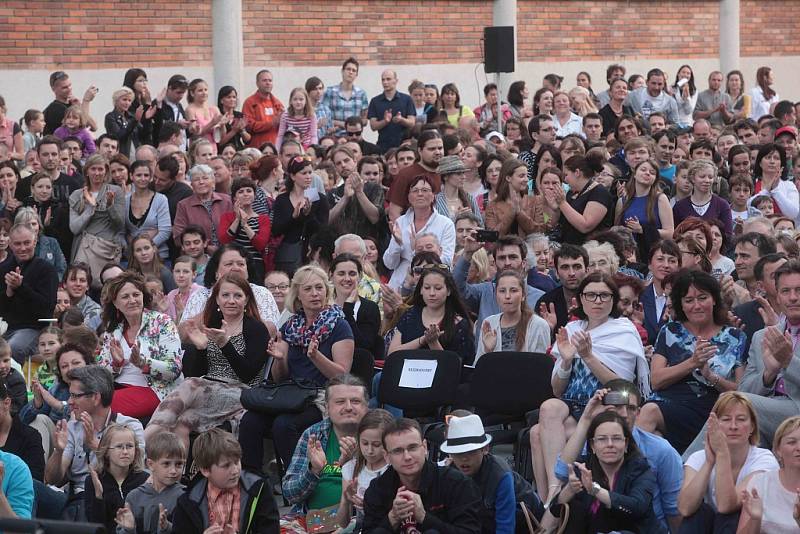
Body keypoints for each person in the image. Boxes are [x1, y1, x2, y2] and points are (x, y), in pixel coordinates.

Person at [530, 272, 650, 502]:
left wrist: (587, 356)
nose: (597, 301)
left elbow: (622, 387)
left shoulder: (624, 330)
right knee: (549, 406)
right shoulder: (573, 329)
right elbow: (557, 390)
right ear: (581, 300)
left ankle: (551, 504)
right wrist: (566, 360)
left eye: (604, 295)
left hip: (604, 406)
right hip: (570, 403)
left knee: (537, 434)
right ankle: (553, 495)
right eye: (591, 295)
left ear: (613, 300)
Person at [239, 265, 354, 471]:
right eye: (308, 289)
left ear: (327, 292)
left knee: (284, 425)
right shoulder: (291, 326)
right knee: (250, 421)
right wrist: (280, 359)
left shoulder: (339, 325)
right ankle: (254, 480)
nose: (315, 294)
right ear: (298, 295)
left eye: (319, 288)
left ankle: (299, 480)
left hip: (321, 396)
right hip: (291, 394)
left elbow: (341, 376)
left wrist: (316, 357)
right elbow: (279, 377)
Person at [636, 271, 746, 454]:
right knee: (653, 428)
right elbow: (655, 380)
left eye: (702, 298)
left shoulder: (734, 337)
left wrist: (710, 376)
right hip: (668, 403)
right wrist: (692, 363)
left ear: (714, 299)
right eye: (688, 300)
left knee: (650, 419)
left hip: (709, 407)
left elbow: (741, 392)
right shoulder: (670, 331)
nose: (696, 306)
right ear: (681, 305)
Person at [45, 365, 145, 520]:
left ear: (96, 397)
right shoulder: (72, 427)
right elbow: (52, 479)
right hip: (79, 499)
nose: (69, 402)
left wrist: (95, 444)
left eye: (75, 396)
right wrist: (58, 451)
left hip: (117, 497)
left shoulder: (130, 426)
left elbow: (137, 468)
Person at [550, 411, 666, 533]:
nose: (610, 444)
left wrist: (595, 490)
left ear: (626, 444)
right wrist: (570, 489)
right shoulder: (583, 468)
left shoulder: (640, 468)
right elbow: (556, 511)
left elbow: (637, 507)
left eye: (616, 439)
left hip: (632, 531)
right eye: (602, 439)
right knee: (575, 508)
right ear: (593, 446)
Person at [679, 392, 779, 532]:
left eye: (741, 419)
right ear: (714, 425)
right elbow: (685, 508)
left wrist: (722, 454)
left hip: (743, 526)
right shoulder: (698, 457)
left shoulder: (764, 460)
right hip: (708, 524)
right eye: (726, 419)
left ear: (752, 427)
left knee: (731, 516)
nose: (733, 426)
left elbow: (726, 506)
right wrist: (708, 463)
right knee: (698, 514)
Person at [362, 417, 482, 533]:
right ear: (387, 456)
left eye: (413, 447)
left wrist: (424, 517)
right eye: (398, 451)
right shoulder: (377, 489)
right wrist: (392, 517)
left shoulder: (456, 483)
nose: (407, 457)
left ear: (424, 447)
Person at [96, 271, 182, 419]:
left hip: (154, 390)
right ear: (116, 303)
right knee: (86, 401)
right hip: (119, 387)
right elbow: (101, 374)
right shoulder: (112, 330)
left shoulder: (162, 322)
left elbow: (174, 369)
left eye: (136, 294)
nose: (132, 300)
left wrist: (143, 363)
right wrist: (117, 364)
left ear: (143, 296)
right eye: (125, 297)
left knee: (97, 407)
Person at [172, 427, 280, 533]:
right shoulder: (188, 502)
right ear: (205, 470)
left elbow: (270, 529)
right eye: (226, 465)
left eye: (237, 462)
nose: (235, 470)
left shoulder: (258, 488)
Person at [387, 264, 475, 363]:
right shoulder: (410, 315)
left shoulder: (459, 324)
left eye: (438, 288)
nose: (432, 293)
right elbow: (392, 354)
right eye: (427, 288)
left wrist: (433, 342)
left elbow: (454, 367)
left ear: (449, 291)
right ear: (421, 290)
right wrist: (423, 339)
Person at [179, 243, 279, 329]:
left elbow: (273, 331)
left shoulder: (261, 293)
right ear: (216, 271)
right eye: (229, 264)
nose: (235, 268)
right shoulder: (200, 295)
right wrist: (212, 307)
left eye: (241, 264)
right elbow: (183, 335)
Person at [20, 343, 94, 459]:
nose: (71, 369)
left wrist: (59, 405)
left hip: (89, 444)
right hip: (58, 445)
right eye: (64, 366)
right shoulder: (57, 388)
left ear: (88, 364)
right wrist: (38, 403)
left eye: (76, 363)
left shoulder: (97, 386)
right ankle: (38, 472)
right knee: (39, 419)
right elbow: (22, 421)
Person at [384, 175, 455, 290]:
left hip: (433, 285)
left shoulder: (446, 224)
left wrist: (415, 251)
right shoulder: (400, 222)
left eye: (425, 190)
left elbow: (446, 261)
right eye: (415, 191)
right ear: (408, 197)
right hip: (399, 285)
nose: (420, 194)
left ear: (433, 196)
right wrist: (397, 243)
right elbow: (390, 264)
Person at [0, 223, 58, 363]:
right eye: (18, 244)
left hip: (33, 328)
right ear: (10, 244)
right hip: (6, 326)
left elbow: (46, 308)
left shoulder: (46, 270)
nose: (22, 248)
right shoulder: (3, 269)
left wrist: (21, 288)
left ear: (35, 241)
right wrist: (9, 291)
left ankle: (13, 384)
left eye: (27, 243)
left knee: (13, 349)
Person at [69, 153, 126, 283]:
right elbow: (74, 228)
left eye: (100, 169)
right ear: (87, 171)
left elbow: (120, 224)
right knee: (82, 284)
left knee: (108, 286)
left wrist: (110, 206)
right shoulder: (76, 195)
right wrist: (90, 208)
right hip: (84, 250)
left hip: (107, 249)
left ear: (106, 171)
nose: (97, 173)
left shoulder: (115, 191)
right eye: (93, 169)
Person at [738, 415, 800, 533]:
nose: (799, 448)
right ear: (778, 450)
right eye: (791, 442)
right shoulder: (760, 483)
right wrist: (755, 519)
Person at [116, 431, 186, 534]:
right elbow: (121, 530)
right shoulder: (135, 497)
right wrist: (128, 529)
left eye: (179, 464)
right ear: (150, 464)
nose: (173, 471)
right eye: (166, 464)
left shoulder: (184, 496)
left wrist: (167, 527)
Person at [334, 408, 393, 531]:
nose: (370, 450)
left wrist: (370, 507)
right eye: (365, 443)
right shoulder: (351, 468)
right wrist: (346, 500)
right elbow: (342, 523)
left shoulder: (394, 468)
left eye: (377, 445)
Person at [84, 423, 149, 533]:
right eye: (119, 447)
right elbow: (95, 527)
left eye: (129, 446)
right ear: (106, 451)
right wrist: (98, 497)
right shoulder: (93, 481)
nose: (125, 452)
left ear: (136, 450)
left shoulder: (145, 479)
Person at [271, 156, 329, 275]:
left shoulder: (318, 198)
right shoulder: (282, 199)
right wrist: (293, 217)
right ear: (292, 176)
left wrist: (308, 215)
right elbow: (276, 230)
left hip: (312, 256)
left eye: (310, 172)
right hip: (288, 257)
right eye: (303, 173)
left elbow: (323, 230)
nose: (308, 176)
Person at [475, 270, 550, 362]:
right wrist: (488, 351)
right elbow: (478, 367)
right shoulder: (489, 323)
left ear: (523, 295)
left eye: (513, 291)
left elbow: (542, 367)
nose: (507, 296)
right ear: (496, 295)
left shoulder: (538, 325)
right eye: (502, 291)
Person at [550, 153, 614, 245]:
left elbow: (585, 226)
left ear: (577, 173)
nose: (565, 180)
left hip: (592, 250)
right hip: (568, 247)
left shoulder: (599, 192)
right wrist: (555, 209)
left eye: (566, 175)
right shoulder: (570, 193)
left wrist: (562, 203)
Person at [172, 164, 233, 258]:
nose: (201, 182)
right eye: (196, 179)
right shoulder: (183, 205)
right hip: (196, 257)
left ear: (213, 182)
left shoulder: (227, 201)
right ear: (191, 184)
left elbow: (235, 228)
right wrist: (205, 247)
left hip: (227, 253)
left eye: (205, 178)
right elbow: (178, 237)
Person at [217, 176, 271, 283]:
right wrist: (237, 220)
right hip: (233, 264)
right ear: (234, 197)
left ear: (254, 195)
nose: (245, 194)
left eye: (249, 191)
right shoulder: (227, 217)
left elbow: (261, 244)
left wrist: (245, 225)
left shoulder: (263, 219)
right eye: (241, 192)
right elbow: (224, 240)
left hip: (255, 264)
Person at [330, 254, 383, 359]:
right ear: (331, 276)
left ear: (360, 277)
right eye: (341, 274)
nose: (347, 278)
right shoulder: (324, 306)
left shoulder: (369, 308)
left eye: (352, 274)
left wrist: (348, 309)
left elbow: (364, 345)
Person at [485, 158, 549, 238]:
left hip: (530, 249)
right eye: (521, 176)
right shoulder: (492, 206)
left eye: (526, 175)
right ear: (508, 178)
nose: (526, 179)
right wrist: (511, 213)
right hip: (503, 249)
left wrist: (519, 213)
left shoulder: (535, 201)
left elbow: (540, 232)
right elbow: (493, 236)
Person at [536, 243, 589, 335]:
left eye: (577, 267)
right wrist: (548, 329)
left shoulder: (597, 299)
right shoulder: (546, 302)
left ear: (587, 271)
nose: (571, 273)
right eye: (565, 267)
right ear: (556, 273)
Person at [125, 159, 171, 261]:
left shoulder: (161, 199)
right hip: (133, 257)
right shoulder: (125, 200)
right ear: (131, 176)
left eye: (146, 175)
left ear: (151, 178)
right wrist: (133, 249)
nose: (143, 178)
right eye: (138, 175)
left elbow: (165, 231)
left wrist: (146, 248)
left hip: (159, 256)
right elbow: (121, 231)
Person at [367, 70, 416, 153]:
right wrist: (385, 121)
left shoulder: (406, 99)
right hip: (383, 145)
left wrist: (401, 120)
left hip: (404, 145)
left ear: (396, 81)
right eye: (383, 80)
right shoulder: (375, 101)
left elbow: (412, 123)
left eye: (388, 79)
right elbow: (373, 126)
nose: (385, 82)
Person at [14, 206, 66, 280]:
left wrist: (51, 283)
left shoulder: (52, 243)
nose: (32, 227)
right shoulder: (15, 245)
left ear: (39, 225)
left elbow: (62, 269)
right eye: (27, 225)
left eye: (34, 224)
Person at [322, 57, 369, 133]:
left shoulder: (361, 94)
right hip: (334, 136)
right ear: (342, 71)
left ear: (356, 75)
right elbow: (323, 118)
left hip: (354, 137)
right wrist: (341, 124)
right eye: (348, 69)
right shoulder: (330, 92)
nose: (351, 72)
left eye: (354, 70)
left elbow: (365, 120)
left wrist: (353, 125)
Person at [105, 87, 154, 158]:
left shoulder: (131, 116)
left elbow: (144, 135)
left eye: (129, 100)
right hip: (121, 156)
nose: (127, 103)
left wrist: (147, 120)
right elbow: (118, 136)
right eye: (124, 99)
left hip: (136, 155)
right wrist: (135, 121)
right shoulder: (110, 117)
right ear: (116, 101)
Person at [242, 69, 284, 148]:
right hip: (257, 148)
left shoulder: (278, 103)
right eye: (264, 80)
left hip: (274, 148)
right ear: (257, 83)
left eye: (270, 80)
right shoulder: (249, 102)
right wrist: (271, 123)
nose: (268, 83)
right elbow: (249, 126)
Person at [434, 155, 482, 224]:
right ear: (445, 177)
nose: (463, 177)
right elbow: (436, 228)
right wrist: (455, 218)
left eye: (463, 173)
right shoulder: (435, 201)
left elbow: (480, 225)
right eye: (458, 174)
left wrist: (472, 221)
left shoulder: (469, 198)